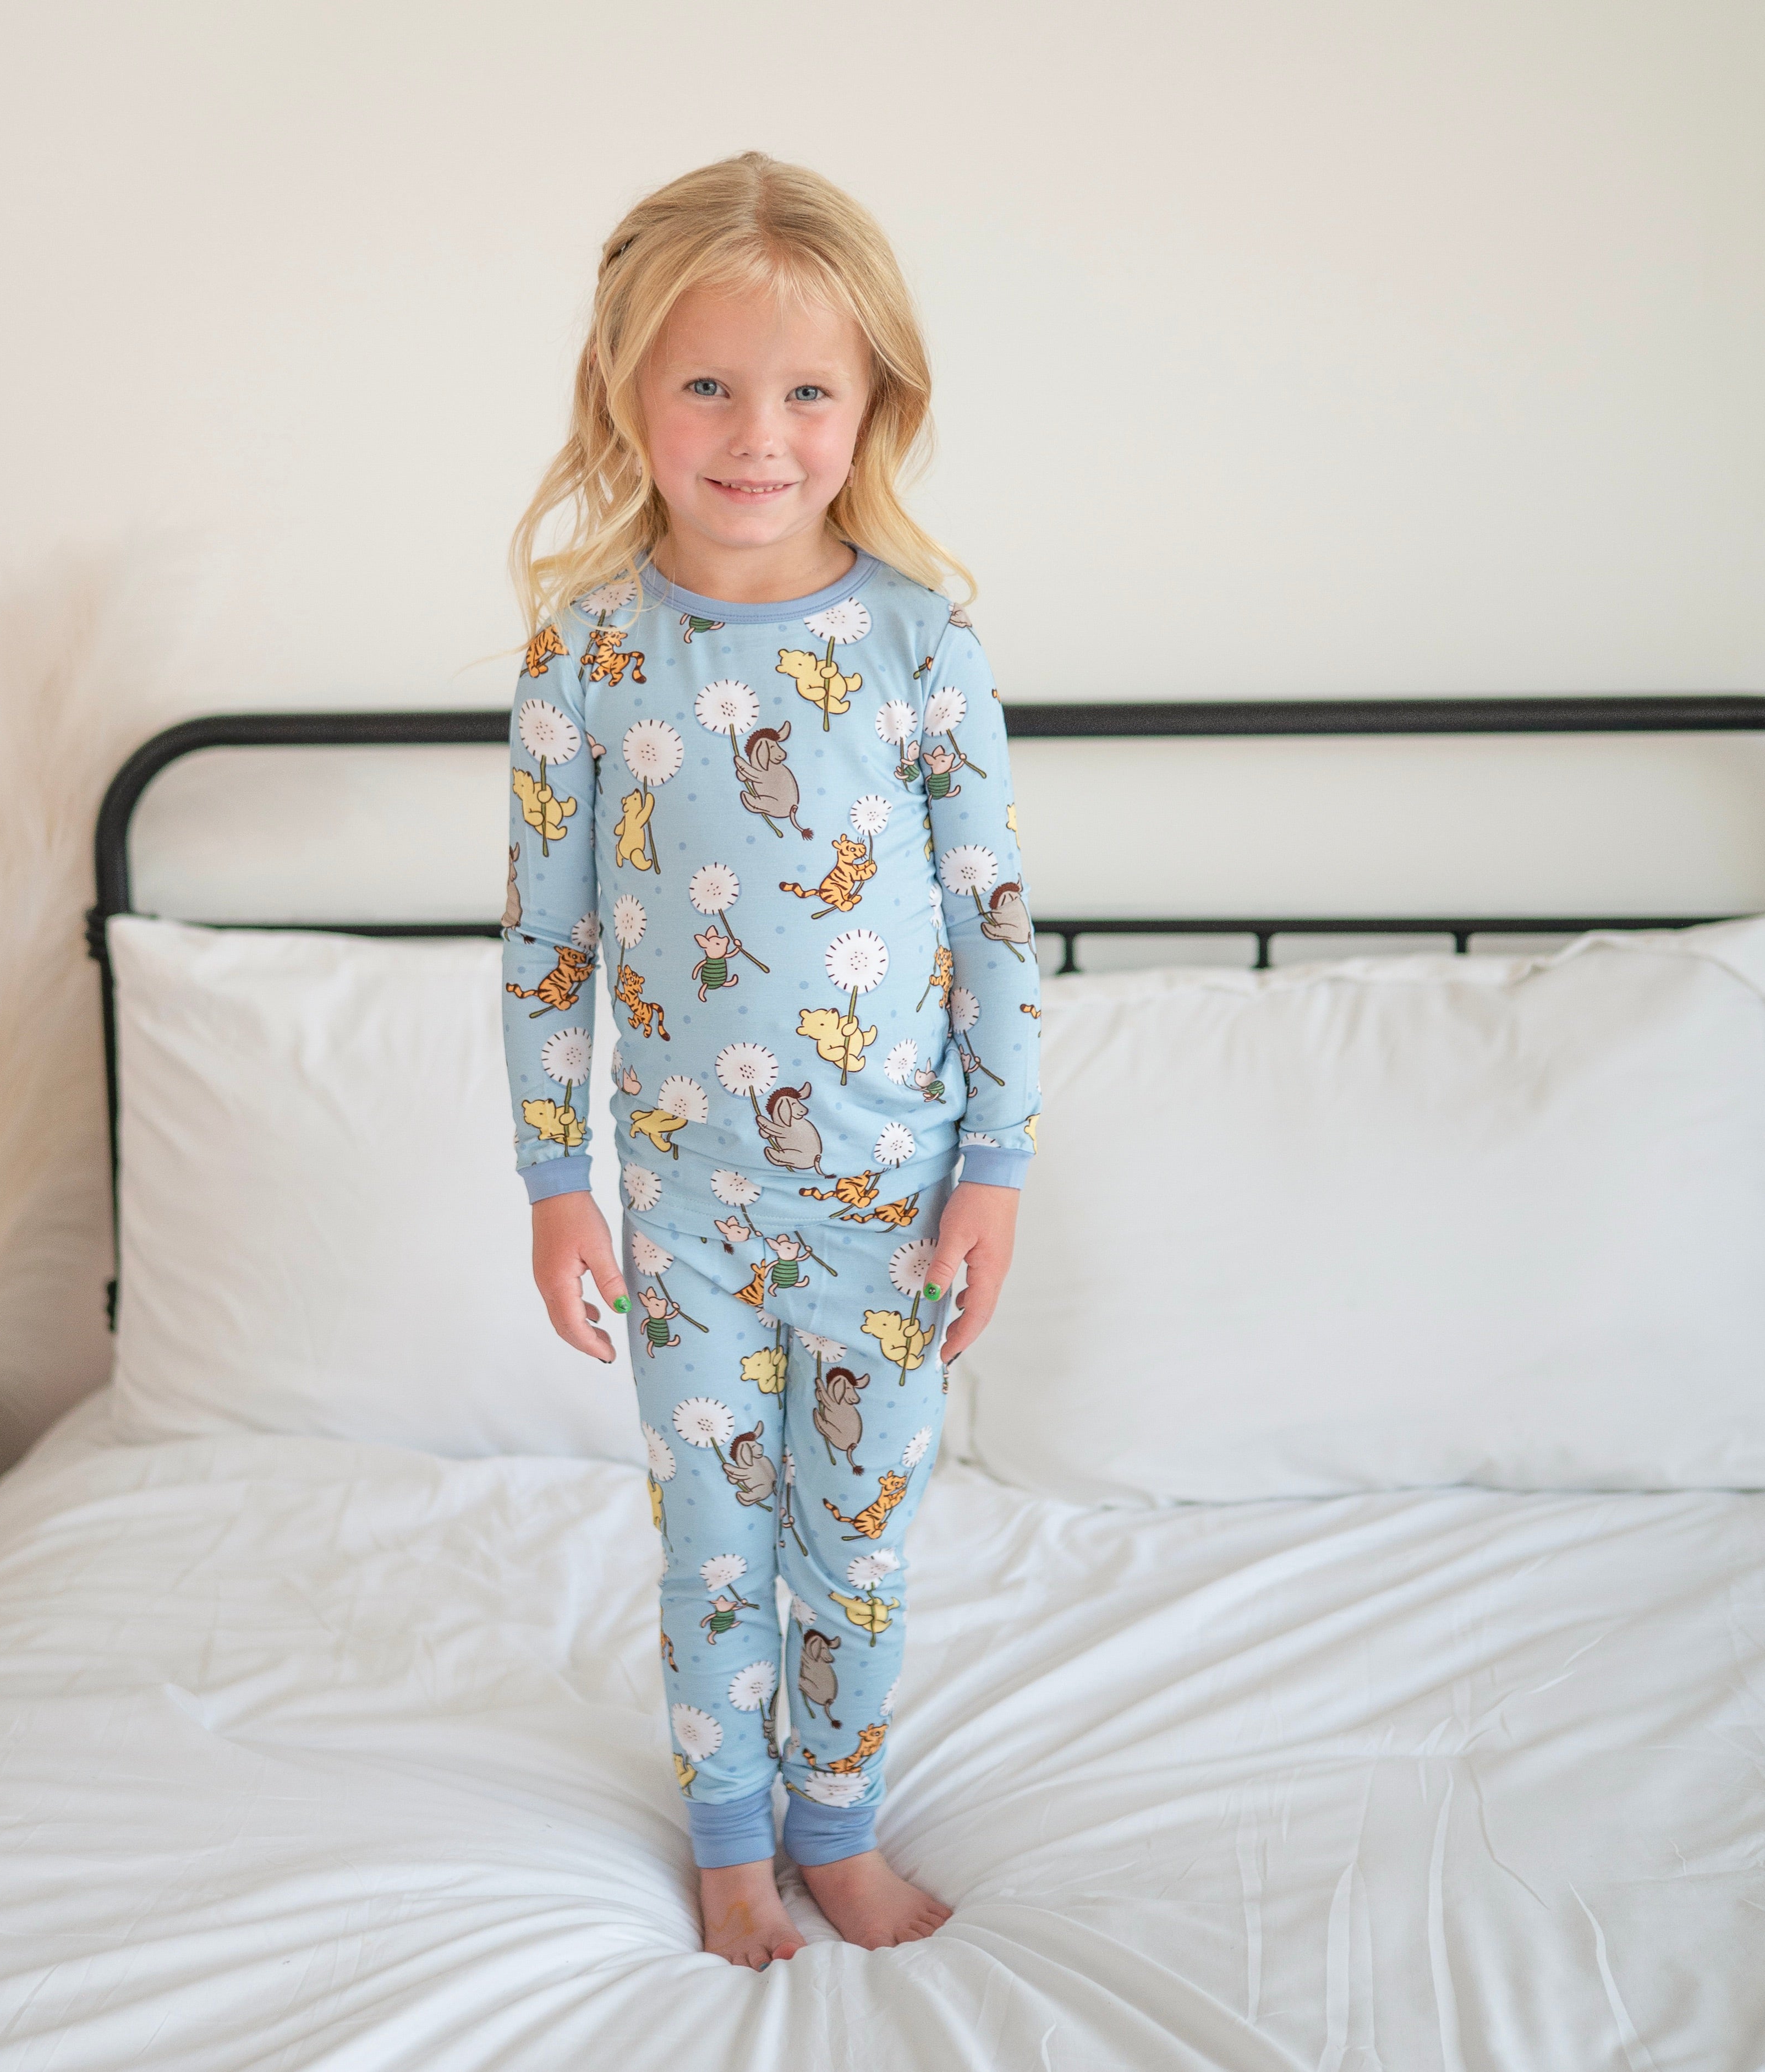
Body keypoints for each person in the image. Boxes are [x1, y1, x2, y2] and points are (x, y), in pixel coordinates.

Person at [500, 152, 1041, 1971]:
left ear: (874, 401)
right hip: (687, 1219)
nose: (758, 433)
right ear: (627, 398)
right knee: (718, 1548)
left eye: (809, 388)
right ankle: (733, 1845)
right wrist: (555, 1185)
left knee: (858, 1544)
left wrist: (999, 1165)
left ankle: (843, 1826)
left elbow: (992, 928)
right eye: (708, 384)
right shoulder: (586, 652)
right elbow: (547, 949)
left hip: (890, 1206)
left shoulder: (918, 638)